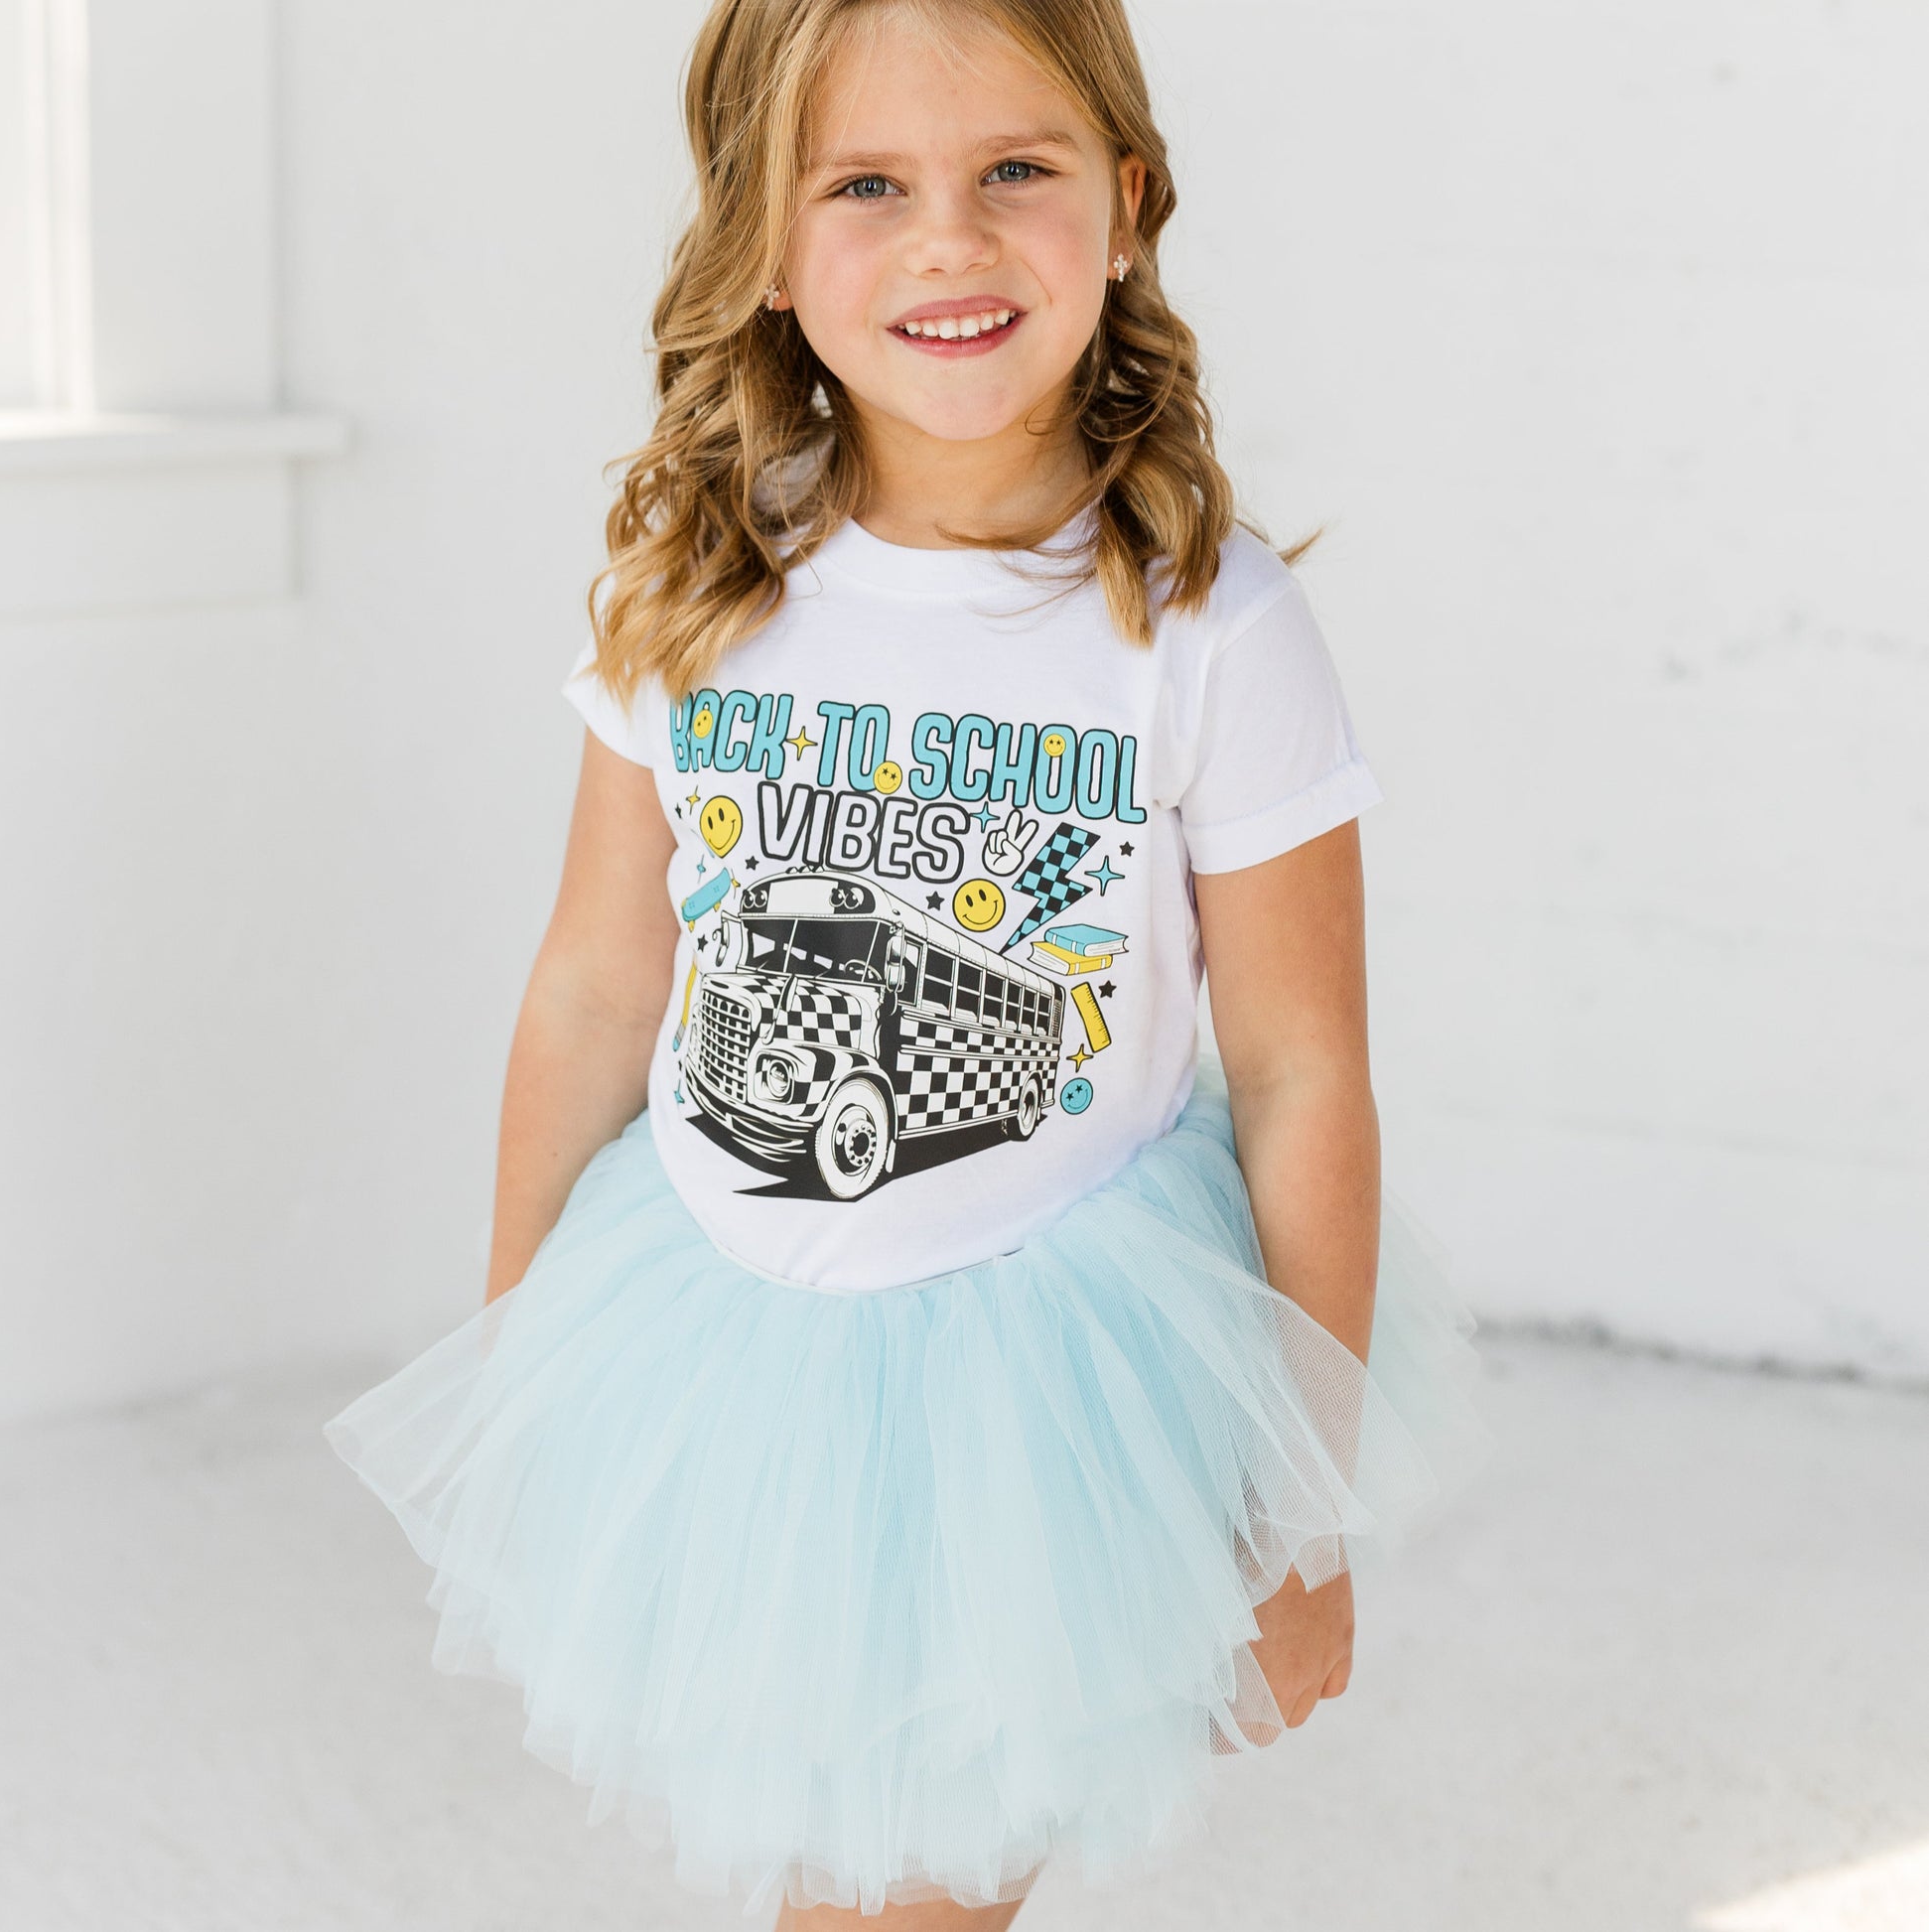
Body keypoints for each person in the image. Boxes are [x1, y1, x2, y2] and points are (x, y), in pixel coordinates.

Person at [323, 0, 1494, 1922]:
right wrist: (520, 1343)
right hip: (721, 1355)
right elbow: (601, 986)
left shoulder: (1204, 623)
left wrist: (1302, 1497)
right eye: (866, 185)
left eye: (1011, 173)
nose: (947, 240)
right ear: (771, 252)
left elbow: (1299, 1069)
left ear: (1122, 208)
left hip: (1041, 1399)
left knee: (905, 1895)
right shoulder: (701, 580)